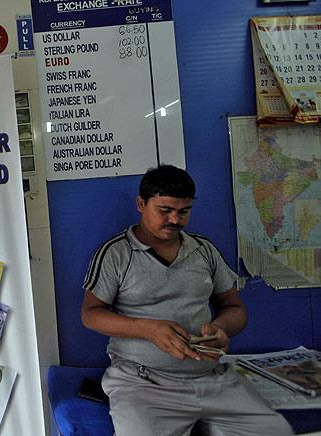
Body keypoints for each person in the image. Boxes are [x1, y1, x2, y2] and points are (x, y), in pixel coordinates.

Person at [81, 165, 292, 436]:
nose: (174, 220)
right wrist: (148, 329)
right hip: (143, 381)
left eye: (183, 212)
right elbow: (90, 314)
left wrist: (222, 328)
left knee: (274, 431)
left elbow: (235, 307)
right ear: (141, 204)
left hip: (211, 377)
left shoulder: (203, 249)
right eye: (164, 210)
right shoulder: (116, 253)